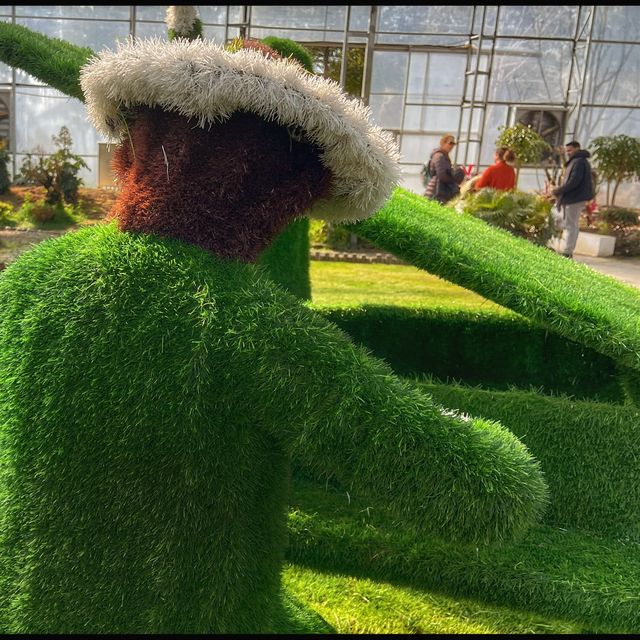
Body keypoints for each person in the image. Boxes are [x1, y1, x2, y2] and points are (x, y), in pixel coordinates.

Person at [552, 141, 594, 258]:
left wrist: (558, 190)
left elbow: (574, 181)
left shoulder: (579, 162)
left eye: (570, 150)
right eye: (567, 151)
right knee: (566, 222)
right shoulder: (576, 161)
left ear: (577, 149)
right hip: (572, 197)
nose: (568, 153)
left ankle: (567, 252)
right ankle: (566, 249)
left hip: (575, 198)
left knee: (571, 225)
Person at [423, 134, 465, 204]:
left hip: (440, 189)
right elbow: (441, 174)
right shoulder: (439, 156)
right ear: (443, 143)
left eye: (453, 144)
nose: (452, 146)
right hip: (436, 190)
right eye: (450, 143)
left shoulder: (443, 156)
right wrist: (453, 179)